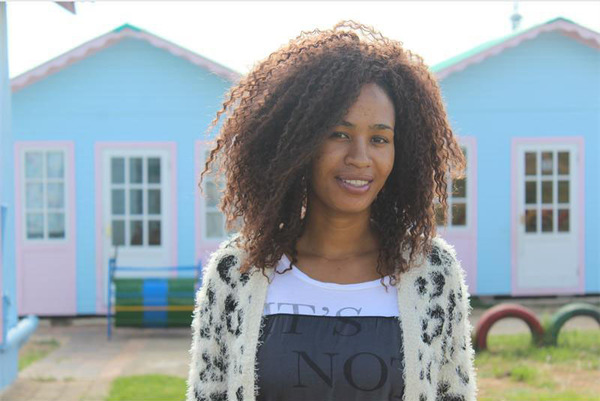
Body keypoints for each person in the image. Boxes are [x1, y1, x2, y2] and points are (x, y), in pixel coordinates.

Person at [186, 20, 477, 401]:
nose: (360, 157)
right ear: (299, 143)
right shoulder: (238, 270)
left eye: (379, 139)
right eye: (339, 134)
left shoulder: (431, 270)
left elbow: (453, 393)